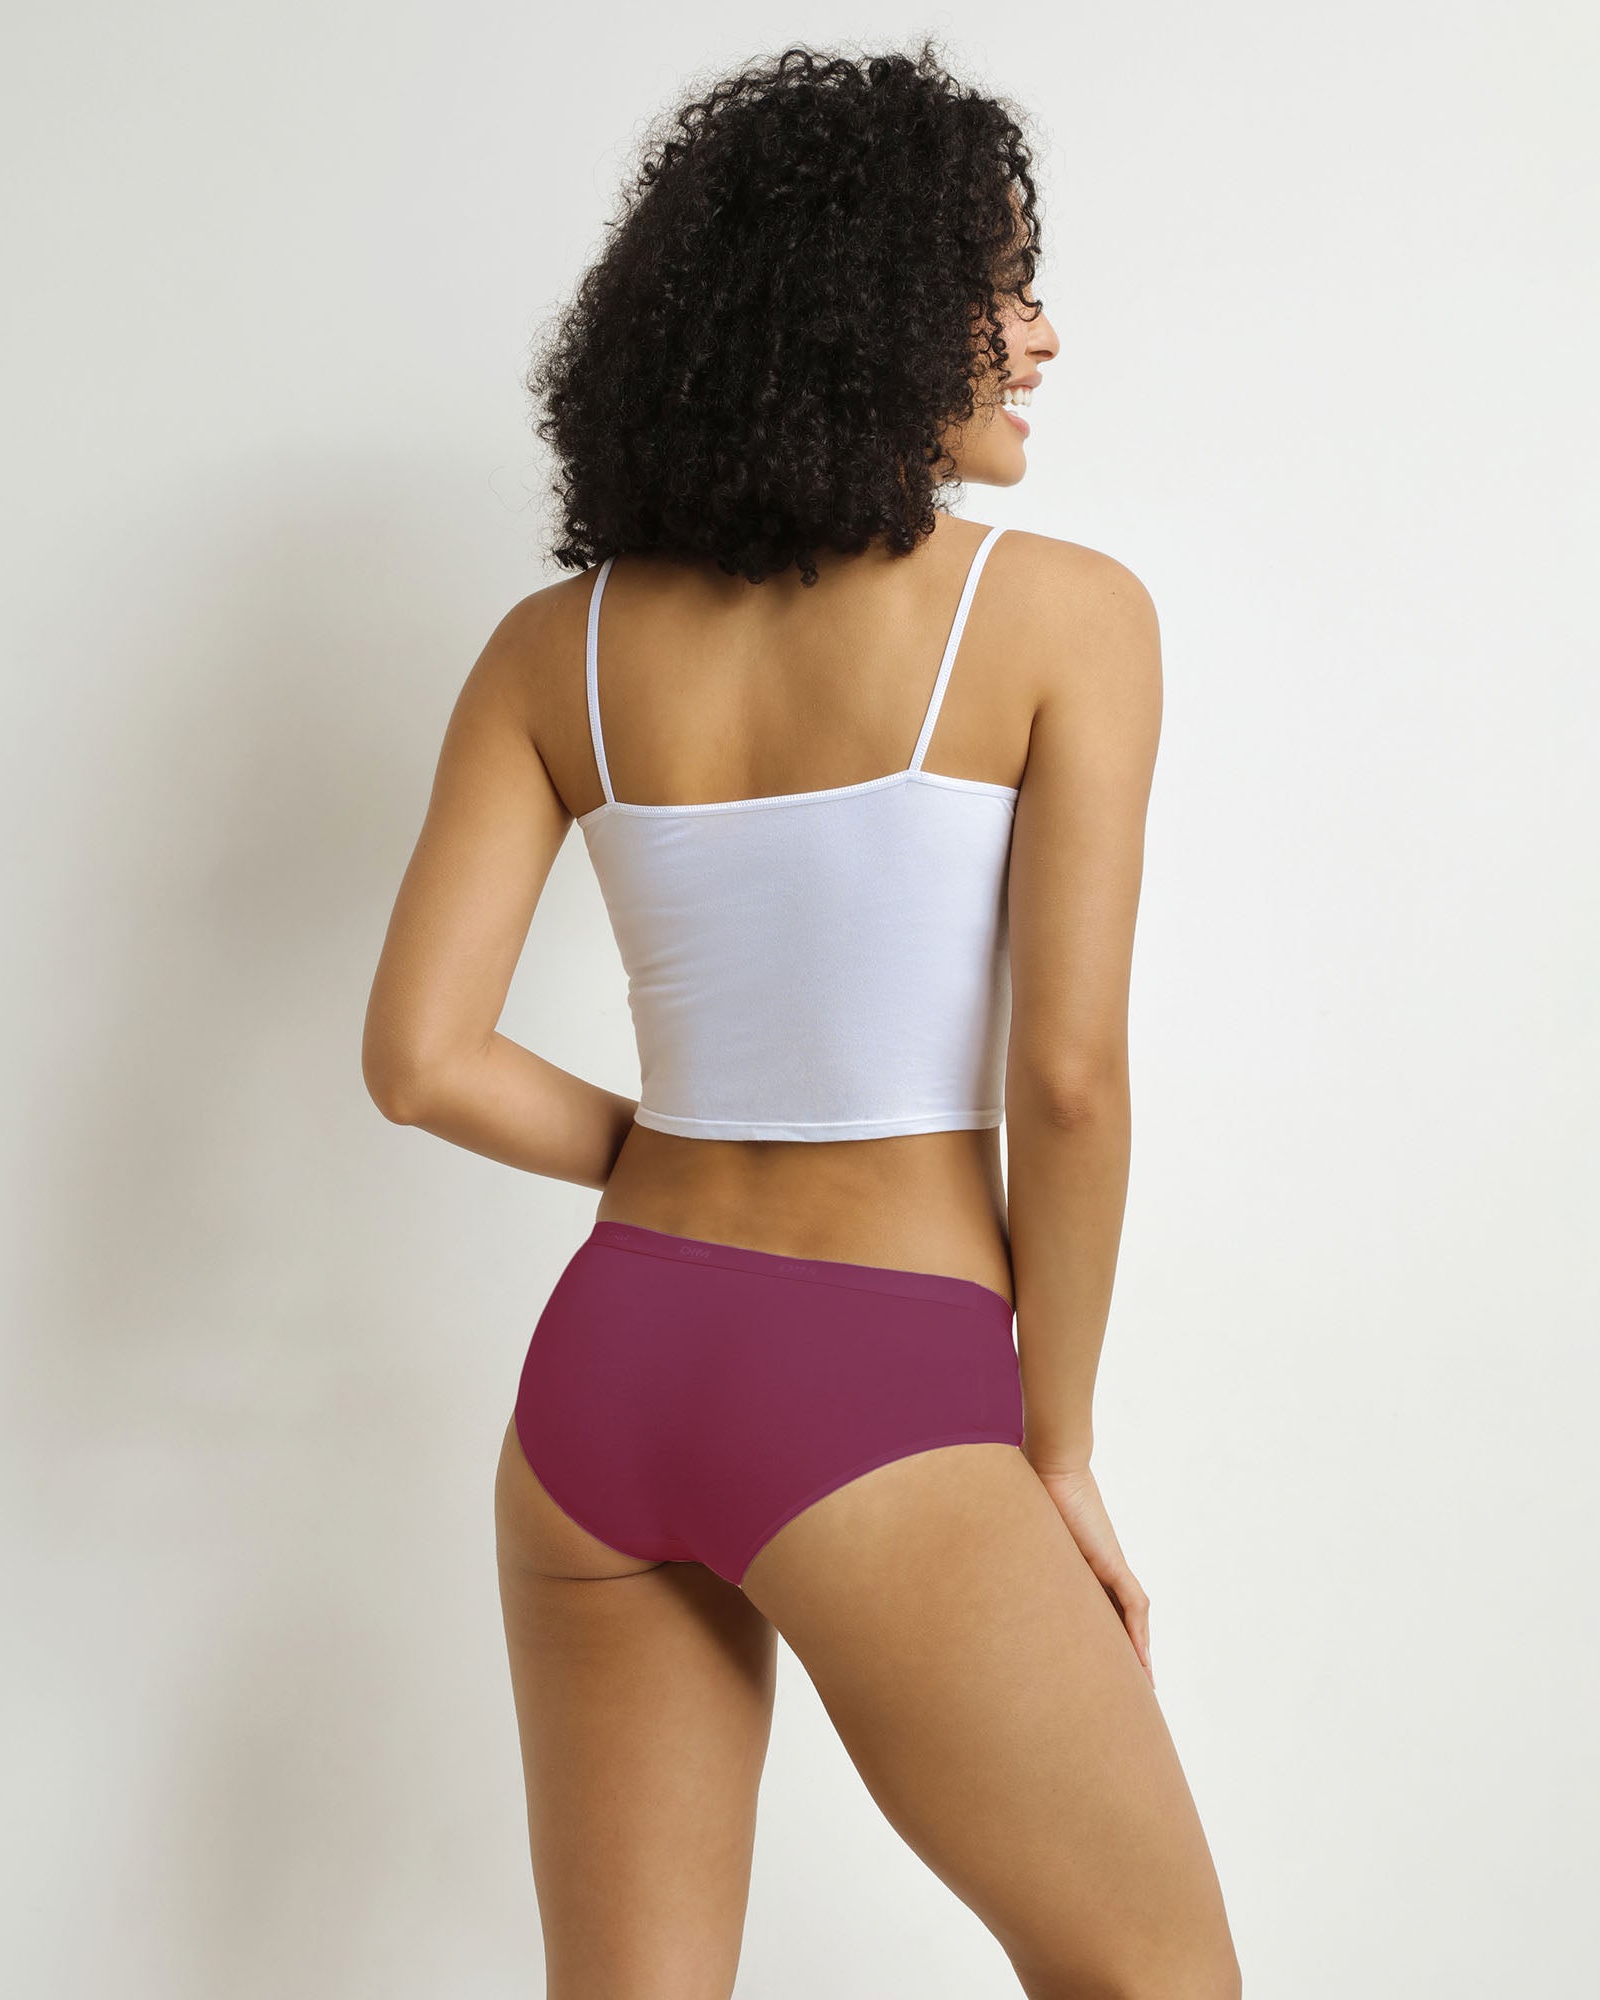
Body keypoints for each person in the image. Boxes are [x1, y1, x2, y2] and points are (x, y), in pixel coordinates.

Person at [362, 43, 1240, 2000]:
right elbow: (1069, 1083)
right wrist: (1058, 1443)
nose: (1044, 337)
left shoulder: (556, 649)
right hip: (879, 1381)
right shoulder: (1063, 614)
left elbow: (420, 1060)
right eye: (1004, 287)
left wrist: (669, 1161)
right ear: (873, 308)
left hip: (604, 1375)